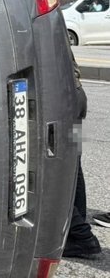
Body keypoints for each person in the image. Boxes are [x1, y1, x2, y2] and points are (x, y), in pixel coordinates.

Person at [63, 58, 102, 259]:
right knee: (74, 166)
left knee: (56, 172)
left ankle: (81, 236)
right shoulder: (55, 25)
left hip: (60, 100)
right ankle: (77, 232)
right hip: (77, 95)